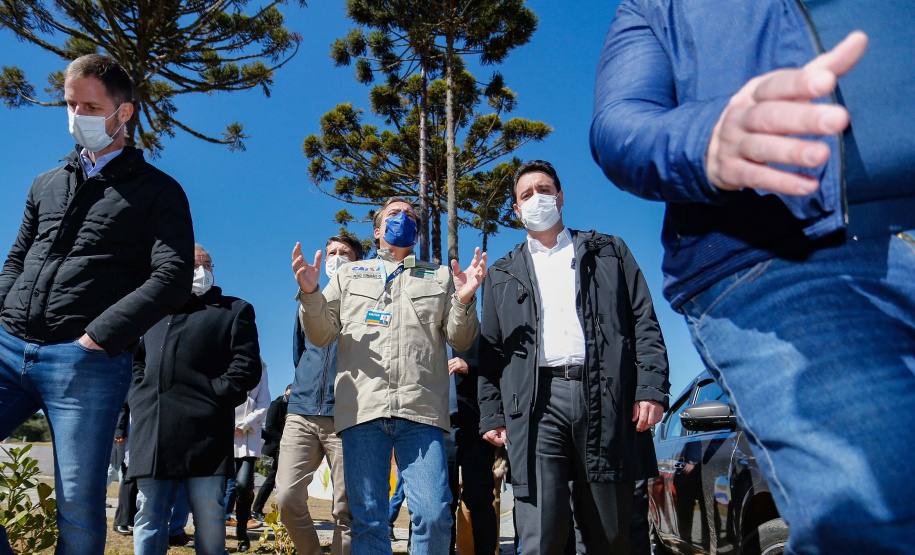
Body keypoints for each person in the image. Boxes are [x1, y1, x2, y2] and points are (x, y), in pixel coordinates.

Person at [590, 3, 915, 552]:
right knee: (882, 503)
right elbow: (620, 119)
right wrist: (707, 135)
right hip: (777, 255)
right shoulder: (653, 8)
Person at [0, 53, 194, 554]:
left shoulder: (160, 192)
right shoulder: (45, 182)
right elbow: (18, 258)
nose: (76, 116)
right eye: (70, 104)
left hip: (84, 363)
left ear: (123, 113)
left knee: (78, 508)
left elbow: (172, 277)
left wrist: (97, 338)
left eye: (89, 106)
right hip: (8, 346)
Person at [478, 160, 670, 554]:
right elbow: (491, 351)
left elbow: (643, 321)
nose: (537, 199)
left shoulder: (609, 252)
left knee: (608, 533)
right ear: (516, 210)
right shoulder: (501, 273)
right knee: (540, 534)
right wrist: (493, 413)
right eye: (526, 195)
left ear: (560, 196)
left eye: (544, 189)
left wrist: (651, 388)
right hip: (535, 407)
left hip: (603, 398)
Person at [292, 196, 485, 554]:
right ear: (378, 230)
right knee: (368, 521)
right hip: (363, 411)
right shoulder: (350, 274)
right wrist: (310, 293)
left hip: (422, 412)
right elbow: (320, 334)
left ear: (417, 232)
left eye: (410, 215)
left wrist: (464, 299)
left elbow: (461, 337)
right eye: (394, 214)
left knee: (433, 514)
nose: (403, 219)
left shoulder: (439, 275)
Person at [128, 244, 262, 555]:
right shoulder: (153, 310)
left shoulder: (234, 309)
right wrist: (139, 394)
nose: (202, 271)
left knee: (209, 516)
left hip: (206, 431)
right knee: (149, 514)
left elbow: (246, 366)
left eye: (207, 264)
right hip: (154, 428)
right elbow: (136, 360)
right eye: (193, 265)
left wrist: (215, 395)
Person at [277, 234, 362, 555]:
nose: (336, 257)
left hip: (347, 416)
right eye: (331, 253)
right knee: (286, 497)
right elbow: (300, 355)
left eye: (344, 253)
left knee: (347, 509)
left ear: (358, 263)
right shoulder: (309, 300)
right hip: (301, 412)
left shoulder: (368, 305)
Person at [445, 338, 498, 555]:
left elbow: (498, 365)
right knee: (438, 502)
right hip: (436, 427)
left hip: (474, 423)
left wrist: (470, 366)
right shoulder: (427, 328)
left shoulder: (478, 330)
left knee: (480, 499)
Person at [230, 360, 271, 551]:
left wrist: (245, 424)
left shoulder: (260, 367)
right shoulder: (223, 357)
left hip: (248, 435)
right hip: (223, 431)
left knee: (244, 484)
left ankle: (241, 530)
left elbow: (264, 402)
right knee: (217, 485)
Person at [251, 384, 291, 521]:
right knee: (272, 479)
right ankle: (256, 510)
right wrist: (285, 440)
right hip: (278, 446)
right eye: (291, 392)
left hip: (287, 447)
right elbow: (270, 428)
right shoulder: (277, 404)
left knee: (277, 479)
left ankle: (261, 510)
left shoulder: (293, 407)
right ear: (286, 391)